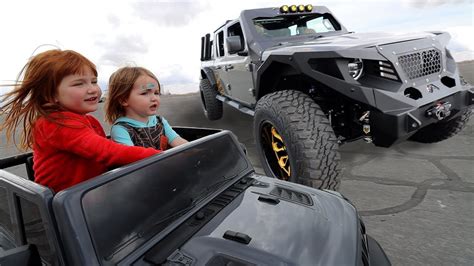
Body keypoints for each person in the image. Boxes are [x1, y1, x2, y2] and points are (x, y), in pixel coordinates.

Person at [0, 50, 161, 192]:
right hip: (65, 206)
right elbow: (109, 152)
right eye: (79, 84)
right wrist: (160, 156)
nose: (92, 89)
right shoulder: (55, 124)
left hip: (88, 193)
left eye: (94, 81)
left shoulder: (89, 121)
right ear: (50, 95)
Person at [105, 66, 187, 150]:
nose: (154, 98)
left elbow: (179, 142)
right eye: (144, 93)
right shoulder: (121, 129)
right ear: (124, 100)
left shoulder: (160, 122)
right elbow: (132, 157)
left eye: (156, 93)